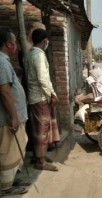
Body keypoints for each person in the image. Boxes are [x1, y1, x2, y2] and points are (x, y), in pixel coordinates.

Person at [25, 28, 59, 171]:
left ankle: (38, 155)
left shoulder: (30, 54)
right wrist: (51, 94)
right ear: (44, 41)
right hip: (39, 97)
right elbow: (43, 79)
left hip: (33, 97)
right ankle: (41, 161)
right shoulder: (39, 55)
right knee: (42, 129)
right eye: (46, 41)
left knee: (36, 128)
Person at [0, 27, 29, 195]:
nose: (15, 45)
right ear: (6, 43)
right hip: (7, 119)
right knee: (8, 152)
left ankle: (12, 179)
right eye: (13, 42)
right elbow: (4, 92)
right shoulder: (2, 62)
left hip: (13, 116)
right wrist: (13, 117)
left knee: (16, 149)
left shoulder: (5, 61)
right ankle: (6, 186)